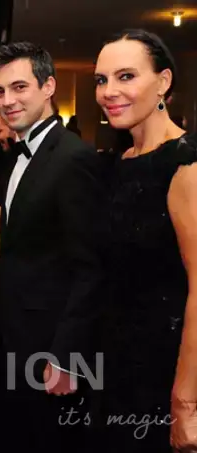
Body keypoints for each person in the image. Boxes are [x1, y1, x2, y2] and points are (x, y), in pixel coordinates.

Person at [0, 41, 106, 453]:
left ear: (49, 87)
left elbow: (91, 268)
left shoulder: (74, 158)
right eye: (0, 91)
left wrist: (66, 358)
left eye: (19, 87)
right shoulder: (14, 156)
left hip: (51, 347)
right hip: (16, 338)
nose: (7, 100)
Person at [92, 29, 197, 452]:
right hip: (114, 365)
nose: (109, 91)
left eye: (126, 76)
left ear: (163, 82)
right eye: (101, 80)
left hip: (164, 369)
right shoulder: (117, 164)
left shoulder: (185, 164)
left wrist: (186, 401)